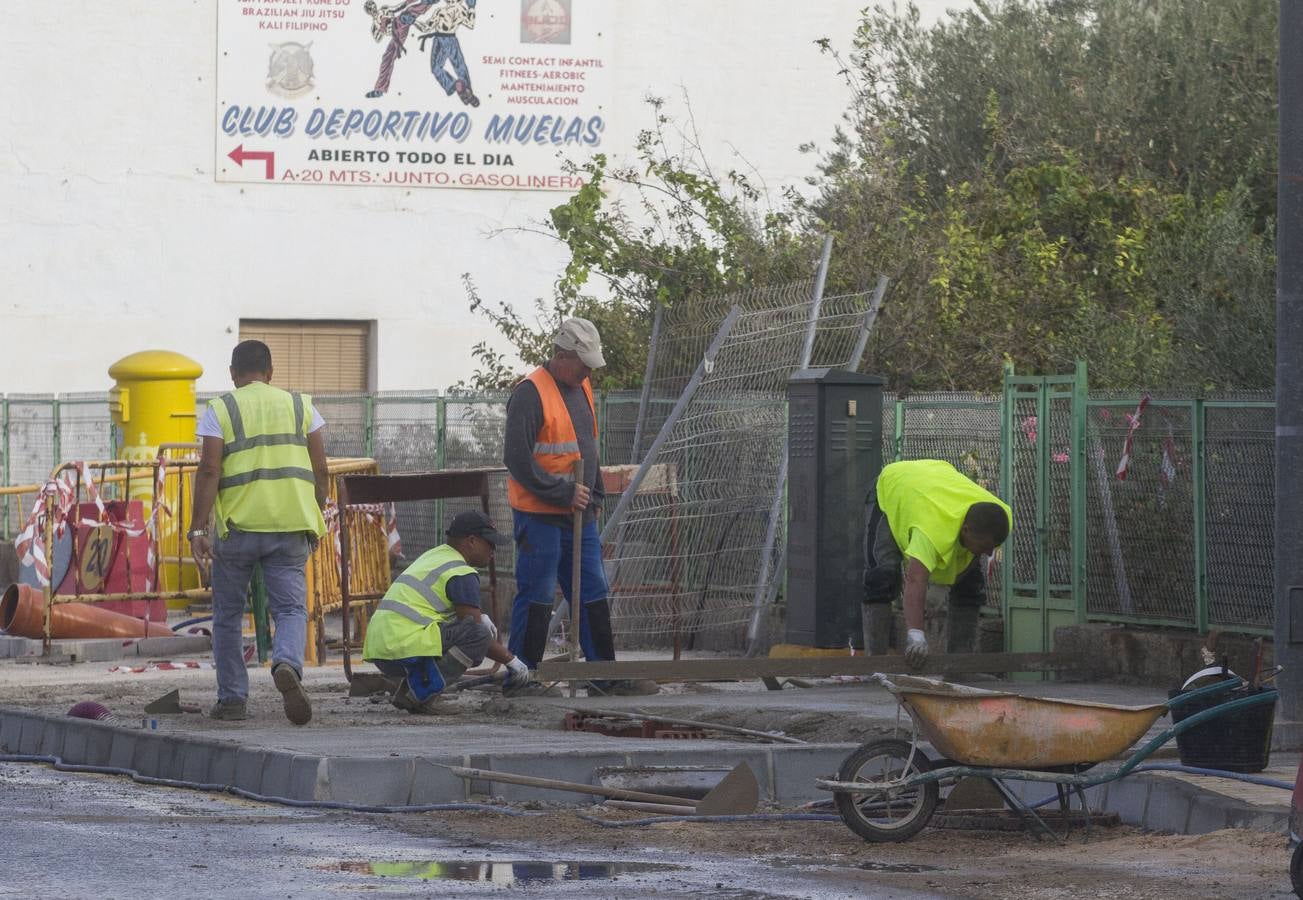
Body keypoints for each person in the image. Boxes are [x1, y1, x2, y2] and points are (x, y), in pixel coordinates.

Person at [503, 317, 657, 697]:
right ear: (561, 356)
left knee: (593, 590)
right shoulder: (530, 393)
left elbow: (587, 448)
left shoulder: (581, 386)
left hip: (579, 512)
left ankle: (603, 675)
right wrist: (562, 492)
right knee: (537, 594)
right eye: (583, 364)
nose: (589, 372)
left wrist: (596, 495)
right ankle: (522, 679)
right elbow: (517, 460)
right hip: (540, 514)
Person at [189, 340, 329, 725]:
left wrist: (198, 528)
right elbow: (321, 469)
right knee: (291, 609)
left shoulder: (222, 409)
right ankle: (287, 664)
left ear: (233, 373)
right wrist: (316, 512)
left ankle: (233, 700)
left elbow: (209, 470)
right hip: (290, 527)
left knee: (228, 616)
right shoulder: (301, 406)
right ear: (270, 372)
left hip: (238, 529)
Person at [361, 510, 534, 713]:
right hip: (403, 647)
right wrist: (512, 661)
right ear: (472, 541)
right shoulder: (460, 572)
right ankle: (422, 695)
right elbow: (476, 633)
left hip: (382, 648)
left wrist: (479, 618)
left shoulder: (435, 556)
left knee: (472, 633)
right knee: (478, 636)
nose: (493, 550)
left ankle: (409, 692)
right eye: (490, 543)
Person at [861, 459, 1012, 669]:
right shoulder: (931, 530)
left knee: (970, 585)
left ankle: (959, 667)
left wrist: (944, 585)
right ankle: (875, 665)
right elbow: (915, 579)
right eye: (984, 546)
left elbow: (973, 556)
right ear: (965, 530)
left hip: (935, 481)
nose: (988, 553)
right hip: (894, 486)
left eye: (992, 547)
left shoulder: (1000, 516)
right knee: (882, 575)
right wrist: (916, 635)